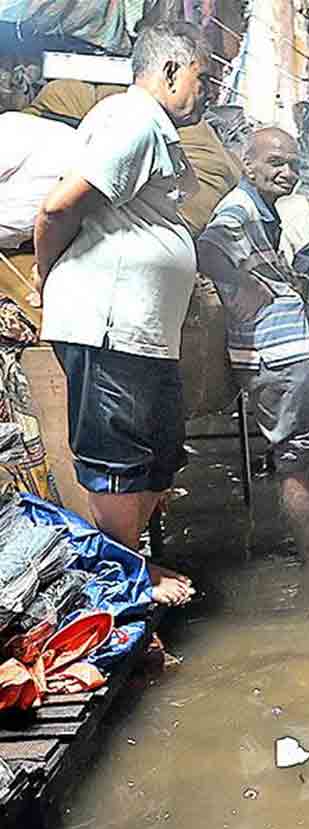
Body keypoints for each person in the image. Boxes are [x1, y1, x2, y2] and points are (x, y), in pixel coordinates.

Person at [35, 22, 212, 605]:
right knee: (117, 453)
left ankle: (137, 561)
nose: (205, 91)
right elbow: (59, 207)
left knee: (154, 448)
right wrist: (46, 273)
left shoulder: (152, 127)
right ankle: (127, 575)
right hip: (109, 321)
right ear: (168, 70)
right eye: (200, 77)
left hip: (140, 329)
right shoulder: (132, 118)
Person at [198, 127, 309, 569]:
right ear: (247, 164)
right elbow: (208, 248)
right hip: (274, 358)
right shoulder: (240, 207)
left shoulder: (266, 211)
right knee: (297, 460)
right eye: (275, 163)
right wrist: (243, 283)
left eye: (293, 164)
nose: (287, 172)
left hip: (292, 352)